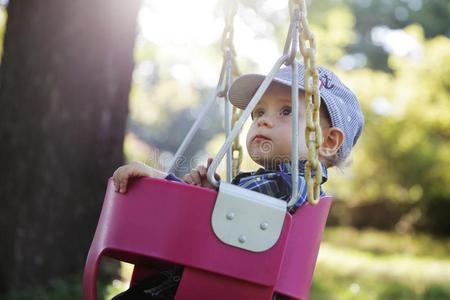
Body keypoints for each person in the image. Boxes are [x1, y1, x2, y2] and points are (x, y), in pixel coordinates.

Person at [111, 61, 364, 299]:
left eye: (286, 111)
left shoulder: (291, 184)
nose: (263, 120)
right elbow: (231, 215)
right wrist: (210, 193)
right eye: (258, 112)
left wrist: (163, 180)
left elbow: (228, 215)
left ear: (329, 142)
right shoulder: (283, 185)